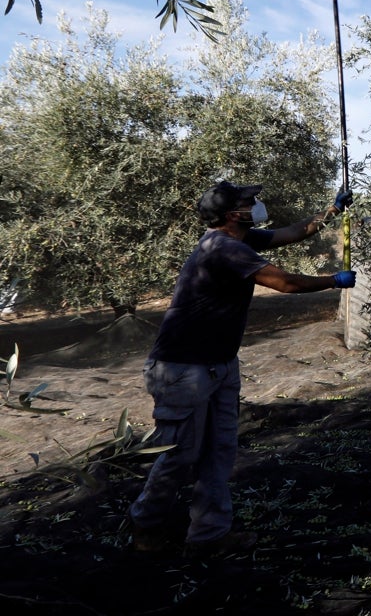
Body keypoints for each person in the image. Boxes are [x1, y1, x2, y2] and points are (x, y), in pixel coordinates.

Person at [129, 181, 356, 555]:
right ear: (234, 214)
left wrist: (329, 212)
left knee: (219, 451)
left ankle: (208, 535)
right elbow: (284, 282)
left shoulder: (241, 238)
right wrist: (334, 281)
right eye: (250, 202)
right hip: (183, 369)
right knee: (179, 453)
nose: (257, 205)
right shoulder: (224, 249)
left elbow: (290, 233)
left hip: (219, 364)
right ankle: (145, 524)